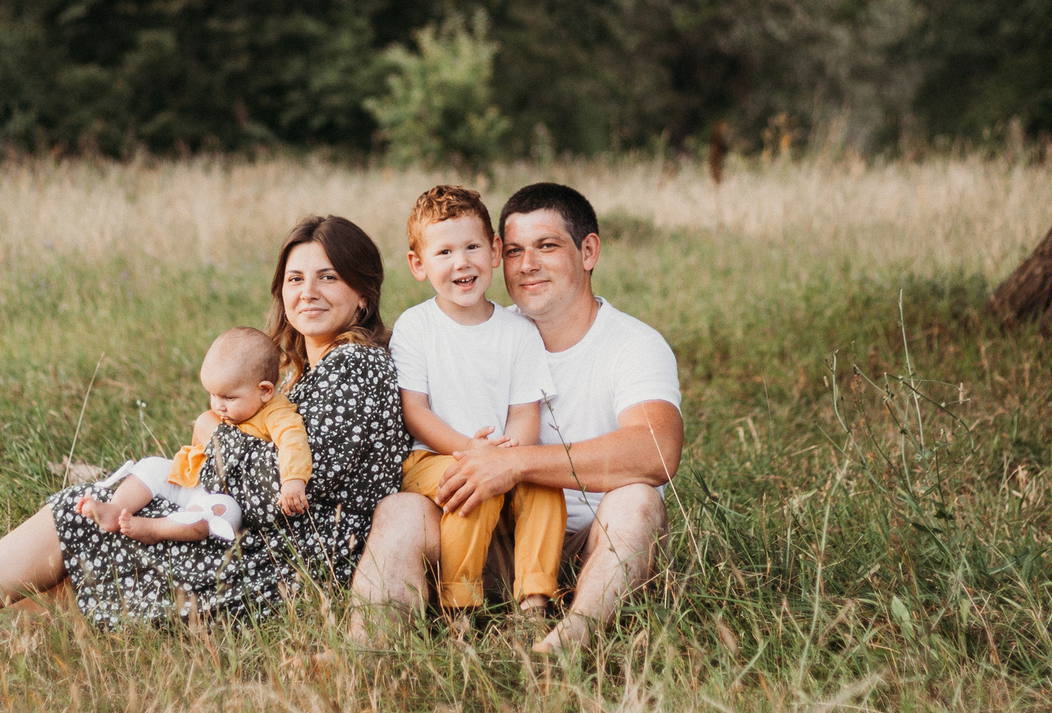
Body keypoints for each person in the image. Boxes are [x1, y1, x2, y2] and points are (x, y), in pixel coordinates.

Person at [0, 216, 407, 653]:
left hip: (290, 570)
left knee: (78, 520)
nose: (307, 289)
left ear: (363, 293)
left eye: (327, 275)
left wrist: (210, 432)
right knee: (88, 527)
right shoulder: (305, 370)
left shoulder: (355, 367)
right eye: (295, 276)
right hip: (261, 547)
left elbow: (283, 492)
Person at [351, 181, 684, 654]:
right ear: (498, 256)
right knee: (401, 510)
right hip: (482, 536)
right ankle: (368, 651)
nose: (527, 264)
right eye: (515, 250)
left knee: (637, 501)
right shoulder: (486, 327)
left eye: (547, 246)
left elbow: (656, 451)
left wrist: (516, 463)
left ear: (588, 251)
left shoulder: (633, 344)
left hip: (589, 550)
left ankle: (568, 642)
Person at [390, 184, 565, 619]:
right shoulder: (416, 327)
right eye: (444, 252)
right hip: (432, 457)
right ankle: (459, 606)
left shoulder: (519, 332)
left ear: (494, 251)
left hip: (502, 455)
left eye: (472, 247)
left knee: (547, 488)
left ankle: (534, 599)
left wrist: (505, 458)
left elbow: (525, 414)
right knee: (472, 488)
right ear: (418, 264)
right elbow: (416, 412)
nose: (462, 262)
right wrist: (472, 453)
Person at [79, 326, 310, 543]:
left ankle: (154, 529)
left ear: (265, 391)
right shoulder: (234, 410)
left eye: (229, 398)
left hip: (223, 496)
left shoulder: (276, 413)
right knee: (152, 466)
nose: (218, 406)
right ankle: (115, 508)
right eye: (213, 395)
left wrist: (293, 480)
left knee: (219, 513)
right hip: (193, 483)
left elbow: (293, 440)